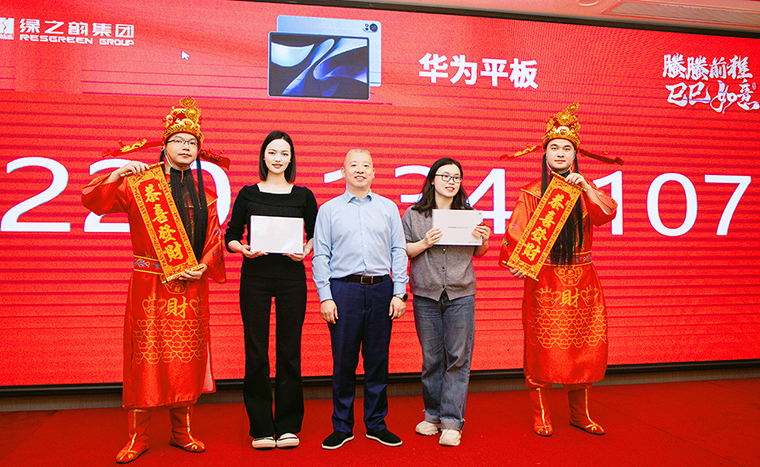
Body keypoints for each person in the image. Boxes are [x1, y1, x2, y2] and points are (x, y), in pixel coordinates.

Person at [82, 97, 227, 463]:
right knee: (143, 361)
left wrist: (204, 266)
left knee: (186, 359)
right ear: (165, 145)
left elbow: (215, 239)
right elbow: (95, 202)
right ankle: (138, 437)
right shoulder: (141, 185)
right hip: (149, 284)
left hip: (190, 286)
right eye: (178, 141)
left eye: (192, 142)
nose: (186, 147)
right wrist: (116, 175)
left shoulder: (207, 194)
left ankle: (182, 432)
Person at [500, 103, 618, 437]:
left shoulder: (585, 189)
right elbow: (517, 232)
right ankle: (541, 414)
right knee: (542, 348)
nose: (561, 153)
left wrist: (587, 188)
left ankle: (580, 414)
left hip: (583, 280)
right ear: (545, 154)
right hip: (546, 279)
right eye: (554, 148)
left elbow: (606, 213)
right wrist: (517, 261)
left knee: (584, 347)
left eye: (567, 148)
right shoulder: (532, 192)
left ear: (575, 155)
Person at [224, 130, 317, 450]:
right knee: (256, 350)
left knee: (289, 350)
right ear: (263, 156)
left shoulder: (303, 195)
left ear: (291, 159)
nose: (278, 159)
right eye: (273, 152)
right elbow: (231, 235)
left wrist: (306, 250)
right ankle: (261, 426)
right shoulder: (248, 194)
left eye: (284, 154)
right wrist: (243, 249)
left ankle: (288, 425)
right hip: (255, 277)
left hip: (292, 278)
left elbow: (316, 234)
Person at [312, 149, 408, 450]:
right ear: (343, 171)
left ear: (374, 172)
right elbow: (321, 256)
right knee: (344, 362)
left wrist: (399, 292)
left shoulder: (388, 208)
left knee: (378, 361)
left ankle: (376, 424)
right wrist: (325, 297)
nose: (360, 170)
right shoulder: (328, 210)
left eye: (366, 165)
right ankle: (342, 426)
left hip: (381, 289)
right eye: (353, 165)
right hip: (344, 290)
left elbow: (398, 251)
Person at [401, 157, 490, 447]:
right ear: (432, 179)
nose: (451, 182)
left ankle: (452, 421)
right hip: (426, 293)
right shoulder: (414, 215)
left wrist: (484, 239)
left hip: (460, 293)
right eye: (445, 176)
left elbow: (479, 253)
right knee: (432, 359)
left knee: (458, 358)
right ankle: (433, 415)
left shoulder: (469, 214)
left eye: (456, 177)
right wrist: (425, 242)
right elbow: (404, 251)